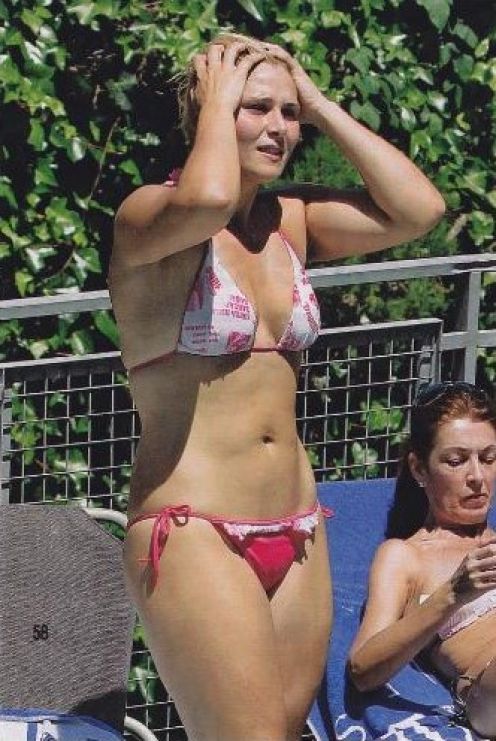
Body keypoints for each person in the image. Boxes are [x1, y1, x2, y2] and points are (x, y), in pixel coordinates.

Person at [109, 31, 445, 741]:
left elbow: (418, 210)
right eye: (255, 107)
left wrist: (319, 103)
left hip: (297, 528)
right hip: (195, 528)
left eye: (288, 113)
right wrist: (216, 97)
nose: (279, 128)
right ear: (210, 108)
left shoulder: (290, 220)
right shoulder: (149, 218)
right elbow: (207, 198)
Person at [348, 382, 496, 738]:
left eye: (488, 458)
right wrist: (453, 593)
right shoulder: (405, 556)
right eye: (456, 461)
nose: (477, 477)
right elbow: (362, 670)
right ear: (418, 468)